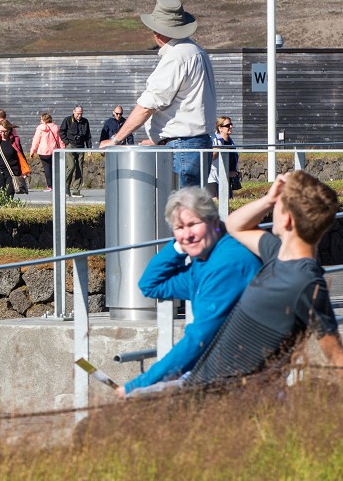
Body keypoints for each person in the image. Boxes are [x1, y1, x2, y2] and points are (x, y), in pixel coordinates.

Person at [183, 171, 343, 387]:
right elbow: (235, 225)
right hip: (205, 384)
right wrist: (269, 199)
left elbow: (336, 355)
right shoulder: (278, 254)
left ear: (286, 219)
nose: (273, 207)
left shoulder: (305, 281)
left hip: (231, 394)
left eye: (277, 204)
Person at [118, 188, 261, 397]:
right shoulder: (203, 262)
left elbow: (198, 339)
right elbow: (150, 285)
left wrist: (137, 385)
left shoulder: (226, 264)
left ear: (214, 222)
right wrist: (178, 247)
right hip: (223, 370)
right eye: (179, 228)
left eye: (194, 224)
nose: (188, 235)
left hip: (243, 376)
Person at [100, 0, 217, 188]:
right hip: (196, 143)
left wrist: (115, 139)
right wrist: (159, 140)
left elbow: (148, 105)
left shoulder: (176, 57)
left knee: (179, 211)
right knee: (192, 208)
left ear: (158, 32)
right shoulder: (197, 52)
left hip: (181, 148)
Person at [58, 106, 91, 198]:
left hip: (81, 147)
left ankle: (76, 190)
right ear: (73, 112)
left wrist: (89, 149)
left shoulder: (85, 122)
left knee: (79, 168)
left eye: (81, 113)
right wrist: (66, 142)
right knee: (71, 166)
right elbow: (61, 132)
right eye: (77, 113)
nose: (79, 115)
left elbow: (88, 136)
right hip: (70, 146)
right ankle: (65, 188)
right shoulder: (68, 120)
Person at [0, 119, 23, 198]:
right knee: (2, 194)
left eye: (5, 131)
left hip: (12, 171)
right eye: (1, 131)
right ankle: (4, 209)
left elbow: (21, 156)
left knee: (9, 194)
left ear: (9, 130)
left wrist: (24, 171)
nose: (3, 133)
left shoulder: (15, 141)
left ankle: (9, 209)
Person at [30, 111, 64, 191]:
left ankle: (50, 186)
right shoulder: (55, 127)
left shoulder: (40, 128)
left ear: (43, 120)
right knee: (55, 168)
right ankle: (57, 185)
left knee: (47, 168)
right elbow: (60, 140)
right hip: (54, 151)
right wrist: (63, 149)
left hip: (43, 151)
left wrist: (32, 151)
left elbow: (36, 141)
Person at [207, 115, 241, 192]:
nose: (231, 126)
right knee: (216, 202)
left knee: (228, 202)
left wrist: (235, 172)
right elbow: (211, 159)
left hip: (226, 179)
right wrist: (218, 148)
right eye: (228, 125)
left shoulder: (231, 142)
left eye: (231, 124)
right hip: (214, 178)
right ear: (220, 128)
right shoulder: (216, 141)